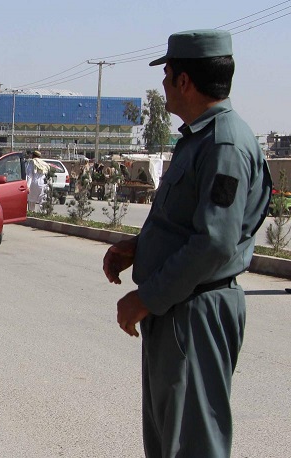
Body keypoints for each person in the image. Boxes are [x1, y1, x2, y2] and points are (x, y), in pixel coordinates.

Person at [102, 29, 272, 457]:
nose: (162, 87)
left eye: (167, 76)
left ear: (184, 82)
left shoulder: (224, 143)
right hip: (179, 308)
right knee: (168, 441)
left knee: (193, 446)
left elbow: (214, 244)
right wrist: (139, 247)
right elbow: (189, 225)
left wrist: (147, 298)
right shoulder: (200, 138)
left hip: (194, 312)